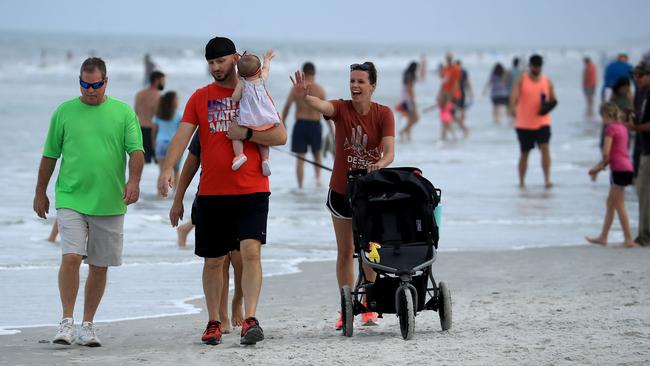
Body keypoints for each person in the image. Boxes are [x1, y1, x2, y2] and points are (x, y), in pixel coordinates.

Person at [157, 36, 287, 346]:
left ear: (236, 58)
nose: (216, 68)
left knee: (251, 252)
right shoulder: (200, 98)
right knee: (213, 260)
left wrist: (248, 133)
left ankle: (250, 318)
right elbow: (183, 138)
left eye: (221, 61)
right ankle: (214, 321)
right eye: (211, 63)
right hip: (213, 193)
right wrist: (166, 168)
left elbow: (280, 135)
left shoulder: (255, 91)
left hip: (253, 188)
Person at [33, 57, 144, 347]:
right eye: (84, 84)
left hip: (109, 199)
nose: (90, 90)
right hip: (71, 196)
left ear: (106, 82)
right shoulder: (65, 112)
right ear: (79, 81)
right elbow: (50, 155)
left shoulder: (123, 113)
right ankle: (66, 322)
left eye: (95, 85)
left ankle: (88, 324)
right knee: (71, 257)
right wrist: (40, 191)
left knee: (98, 265)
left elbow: (136, 151)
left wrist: (133, 181)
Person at [289, 61, 395, 329]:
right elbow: (324, 107)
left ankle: (370, 305)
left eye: (361, 81)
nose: (355, 86)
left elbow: (390, 151)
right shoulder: (341, 107)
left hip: (371, 193)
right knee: (346, 251)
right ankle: (346, 306)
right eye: (352, 81)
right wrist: (305, 97)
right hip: (341, 192)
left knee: (371, 249)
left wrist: (379, 164)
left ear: (372, 86)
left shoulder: (384, 114)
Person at [170, 133, 245, 332]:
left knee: (240, 261)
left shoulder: (248, 115)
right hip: (210, 196)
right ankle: (221, 315)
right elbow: (192, 160)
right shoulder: (207, 121)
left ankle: (238, 299)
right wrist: (178, 199)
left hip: (244, 197)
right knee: (219, 260)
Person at [586, 102, 637, 248]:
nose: (602, 120)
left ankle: (628, 239)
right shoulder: (622, 128)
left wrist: (597, 169)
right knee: (611, 203)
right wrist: (600, 167)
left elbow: (606, 153)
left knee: (619, 204)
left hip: (619, 169)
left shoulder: (610, 129)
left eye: (602, 116)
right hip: (627, 167)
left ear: (606, 115)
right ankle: (603, 236)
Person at [509, 54, 557, 189]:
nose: (536, 68)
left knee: (545, 148)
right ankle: (521, 182)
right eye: (534, 65)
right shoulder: (521, 80)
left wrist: (547, 107)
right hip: (524, 123)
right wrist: (512, 109)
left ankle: (547, 180)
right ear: (530, 66)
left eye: (539, 65)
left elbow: (553, 99)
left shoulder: (546, 81)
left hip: (543, 122)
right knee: (524, 153)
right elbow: (513, 97)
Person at [231, 50, 281, 176]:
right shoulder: (261, 79)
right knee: (262, 139)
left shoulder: (242, 83)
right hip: (264, 116)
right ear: (258, 71)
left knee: (236, 135)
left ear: (239, 73)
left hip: (249, 117)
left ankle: (240, 155)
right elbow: (266, 68)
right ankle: (265, 160)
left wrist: (237, 91)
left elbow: (235, 97)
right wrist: (267, 59)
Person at [281, 61, 327, 189]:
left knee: (300, 158)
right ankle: (318, 180)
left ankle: (300, 187)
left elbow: (287, 107)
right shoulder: (320, 89)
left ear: (303, 73)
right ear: (314, 73)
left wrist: (283, 123)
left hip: (300, 125)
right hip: (315, 125)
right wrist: (332, 130)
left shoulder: (296, 89)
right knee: (317, 154)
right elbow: (326, 111)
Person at [624, 61, 650, 247]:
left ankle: (645, 236)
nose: (636, 78)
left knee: (645, 192)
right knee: (642, 192)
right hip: (644, 148)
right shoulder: (642, 93)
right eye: (635, 75)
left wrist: (635, 127)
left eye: (640, 75)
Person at [135, 70, 166, 164]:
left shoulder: (139, 94)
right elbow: (160, 116)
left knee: (143, 163)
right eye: (163, 81)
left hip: (140, 130)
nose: (164, 83)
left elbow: (136, 111)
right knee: (159, 164)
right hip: (154, 131)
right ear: (157, 81)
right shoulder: (158, 97)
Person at [153, 91, 182, 186]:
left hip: (160, 144)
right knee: (176, 171)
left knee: (162, 171)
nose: (178, 101)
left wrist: (154, 144)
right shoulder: (178, 115)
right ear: (172, 101)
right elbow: (181, 133)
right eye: (177, 99)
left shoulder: (158, 115)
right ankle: (175, 194)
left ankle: (159, 194)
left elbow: (154, 131)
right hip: (173, 145)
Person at [439, 53, 468, 137]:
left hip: (453, 95)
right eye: (448, 58)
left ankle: (461, 130)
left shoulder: (455, 69)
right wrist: (440, 95)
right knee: (446, 115)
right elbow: (443, 83)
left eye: (450, 58)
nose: (449, 59)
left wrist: (450, 95)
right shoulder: (444, 69)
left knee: (450, 115)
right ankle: (446, 134)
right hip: (444, 94)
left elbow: (456, 83)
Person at [398, 61, 419, 141]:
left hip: (404, 99)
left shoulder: (406, 75)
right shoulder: (410, 76)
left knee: (410, 119)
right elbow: (410, 89)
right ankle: (403, 132)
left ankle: (408, 136)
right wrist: (413, 100)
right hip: (408, 100)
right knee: (416, 118)